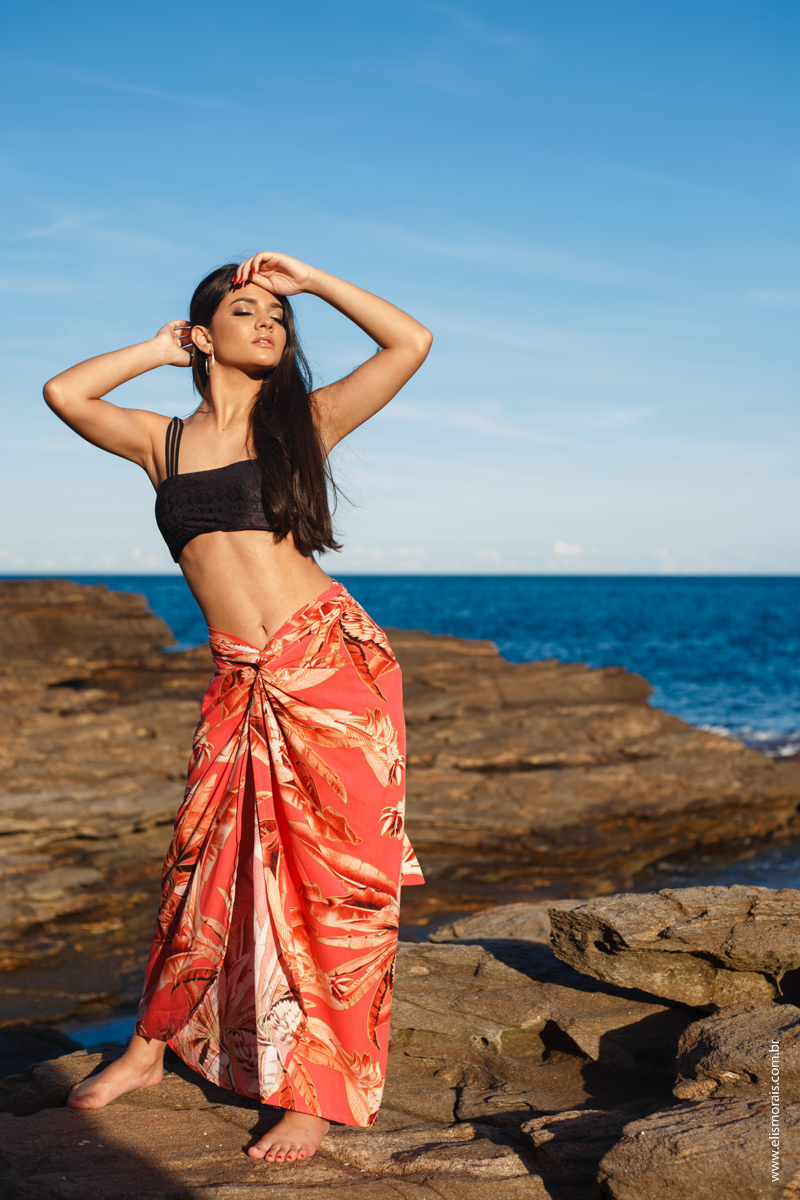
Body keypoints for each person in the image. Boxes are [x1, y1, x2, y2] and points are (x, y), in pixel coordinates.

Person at [42, 251, 431, 1164]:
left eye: (278, 316)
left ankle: (315, 1091)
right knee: (200, 867)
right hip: (239, 679)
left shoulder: (306, 423)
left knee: (336, 892)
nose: (269, 323)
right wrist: (156, 347)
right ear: (206, 332)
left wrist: (316, 282)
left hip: (332, 668)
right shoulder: (162, 441)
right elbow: (65, 392)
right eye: (247, 310)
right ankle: (150, 1049)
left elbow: (409, 341)